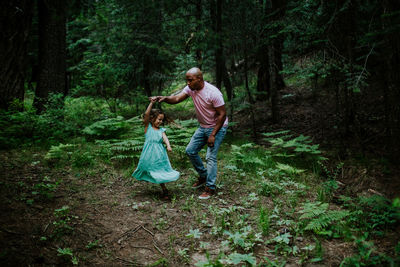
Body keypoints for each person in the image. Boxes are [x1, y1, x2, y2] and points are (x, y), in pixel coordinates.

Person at [151, 67, 228, 200]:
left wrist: (213, 134)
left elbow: (222, 114)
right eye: (186, 80)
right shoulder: (191, 89)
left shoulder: (213, 93)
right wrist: (163, 98)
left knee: (210, 157)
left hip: (217, 127)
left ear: (199, 79)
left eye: (190, 80)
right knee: (190, 151)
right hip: (203, 127)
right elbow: (176, 99)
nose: (188, 83)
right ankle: (203, 176)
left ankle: (210, 188)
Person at [132, 98, 180, 200]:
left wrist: (168, 145)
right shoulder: (147, 127)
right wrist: (151, 103)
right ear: (152, 118)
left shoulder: (161, 130)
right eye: (159, 119)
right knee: (146, 168)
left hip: (159, 154)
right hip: (148, 154)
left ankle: (164, 190)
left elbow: (165, 137)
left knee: (159, 170)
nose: (161, 122)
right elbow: (146, 115)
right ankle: (155, 183)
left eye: (162, 120)